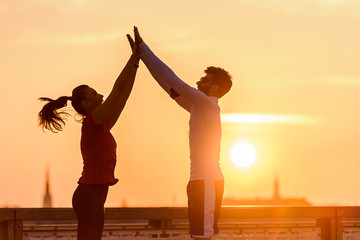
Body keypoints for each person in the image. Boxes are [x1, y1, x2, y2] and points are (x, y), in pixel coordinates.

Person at [128, 27, 232, 240]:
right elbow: (168, 86)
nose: (198, 82)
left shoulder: (208, 106)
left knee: (203, 236)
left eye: (204, 80)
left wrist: (144, 49)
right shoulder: (198, 107)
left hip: (207, 181)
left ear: (215, 88)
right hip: (199, 181)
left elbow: (174, 80)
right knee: (200, 235)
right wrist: (141, 57)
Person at [38, 35, 140, 240]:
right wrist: (132, 57)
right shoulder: (93, 122)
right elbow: (117, 91)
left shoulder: (102, 124)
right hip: (89, 194)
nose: (101, 96)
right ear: (86, 104)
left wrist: (136, 62)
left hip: (94, 195)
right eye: (95, 94)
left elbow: (124, 95)